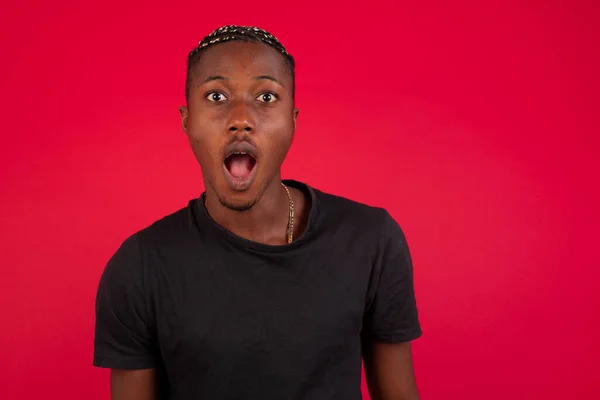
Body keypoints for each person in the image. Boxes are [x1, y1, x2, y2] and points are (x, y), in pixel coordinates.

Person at [93, 25, 422, 400]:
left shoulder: (371, 241)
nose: (241, 118)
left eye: (266, 96)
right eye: (216, 96)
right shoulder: (139, 268)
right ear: (187, 119)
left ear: (293, 121)